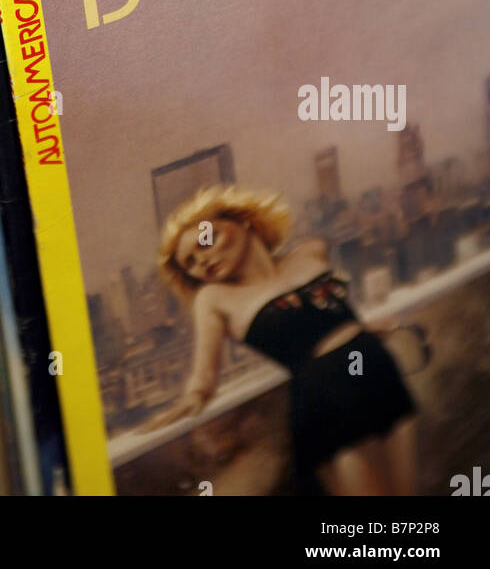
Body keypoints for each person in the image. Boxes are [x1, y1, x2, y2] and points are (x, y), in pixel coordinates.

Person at [150, 184, 417, 495]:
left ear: (244, 223)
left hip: (379, 371)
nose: (202, 261)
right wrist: (191, 398)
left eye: (207, 241)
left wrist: (360, 328)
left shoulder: (310, 252)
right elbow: (204, 377)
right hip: (329, 398)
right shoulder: (214, 298)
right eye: (191, 262)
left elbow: (329, 307)